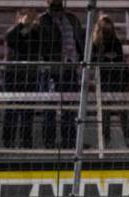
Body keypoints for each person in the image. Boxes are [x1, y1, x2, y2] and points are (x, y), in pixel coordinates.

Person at [38, 0, 85, 150]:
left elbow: (80, 41)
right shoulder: (43, 20)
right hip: (53, 68)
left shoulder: (72, 18)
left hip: (70, 67)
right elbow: (41, 43)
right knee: (50, 106)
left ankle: (70, 140)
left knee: (70, 106)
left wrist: (82, 59)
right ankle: (49, 141)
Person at [92, 15, 129, 148]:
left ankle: (127, 137)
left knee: (123, 110)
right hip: (103, 82)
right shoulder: (96, 44)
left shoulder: (116, 43)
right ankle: (105, 139)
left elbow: (121, 62)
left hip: (117, 81)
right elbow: (93, 62)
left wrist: (127, 79)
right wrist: (104, 58)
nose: (107, 31)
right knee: (105, 112)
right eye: (104, 29)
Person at [3, 9, 40, 149]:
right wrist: (21, 25)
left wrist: (34, 27)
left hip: (30, 74)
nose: (28, 19)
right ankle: (8, 141)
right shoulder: (13, 32)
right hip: (13, 74)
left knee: (28, 110)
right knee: (11, 109)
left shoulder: (36, 33)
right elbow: (11, 39)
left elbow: (37, 46)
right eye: (25, 16)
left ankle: (26, 141)